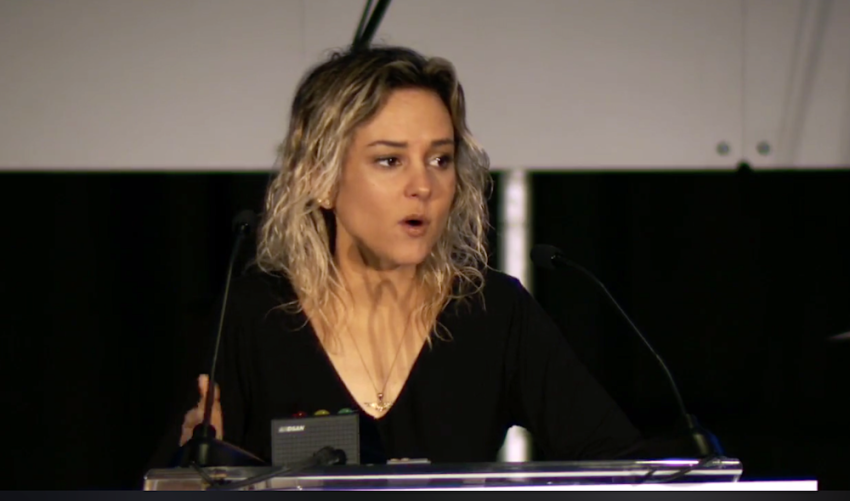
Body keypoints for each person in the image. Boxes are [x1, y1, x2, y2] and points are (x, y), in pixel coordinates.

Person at [156, 45, 642, 467]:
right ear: (322, 179)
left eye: (440, 159)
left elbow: (620, 464)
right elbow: (168, 498)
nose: (423, 186)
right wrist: (196, 463)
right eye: (389, 161)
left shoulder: (493, 311)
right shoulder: (253, 315)